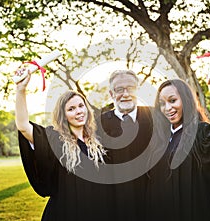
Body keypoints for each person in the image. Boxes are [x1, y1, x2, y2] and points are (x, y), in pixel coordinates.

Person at [14, 69, 113, 221]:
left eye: (81, 106)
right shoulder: (55, 139)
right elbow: (23, 126)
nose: (79, 111)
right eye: (71, 109)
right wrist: (21, 90)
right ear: (63, 115)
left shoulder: (98, 141)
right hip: (64, 212)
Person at [147, 73, 210, 221]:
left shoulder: (201, 133)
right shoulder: (160, 138)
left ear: (185, 100)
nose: (167, 108)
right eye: (162, 103)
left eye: (173, 100)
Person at [97, 70, 153, 221]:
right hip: (114, 203)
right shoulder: (98, 124)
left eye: (131, 88)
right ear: (111, 94)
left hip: (152, 200)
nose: (126, 94)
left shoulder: (156, 117)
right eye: (119, 89)